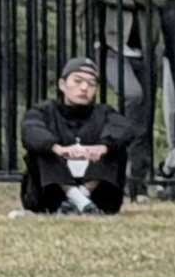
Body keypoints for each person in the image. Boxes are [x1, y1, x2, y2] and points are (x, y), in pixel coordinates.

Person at [76, 0, 156, 196]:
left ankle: (139, 181)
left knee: (145, 118)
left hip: (143, 47)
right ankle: (113, 171)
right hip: (108, 44)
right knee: (132, 97)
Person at [19, 58, 138, 217]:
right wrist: (58, 149)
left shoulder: (105, 113)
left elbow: (125, 129)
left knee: (114, 148)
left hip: (100, 197)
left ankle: (78, 200)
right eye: (78, 81)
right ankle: (80, 201)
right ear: (62, 85)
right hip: (49, 196)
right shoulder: (43, 111)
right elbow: (30, 130)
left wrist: (102, 147)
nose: (84, 88)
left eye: (91, 84)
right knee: (43, 149)